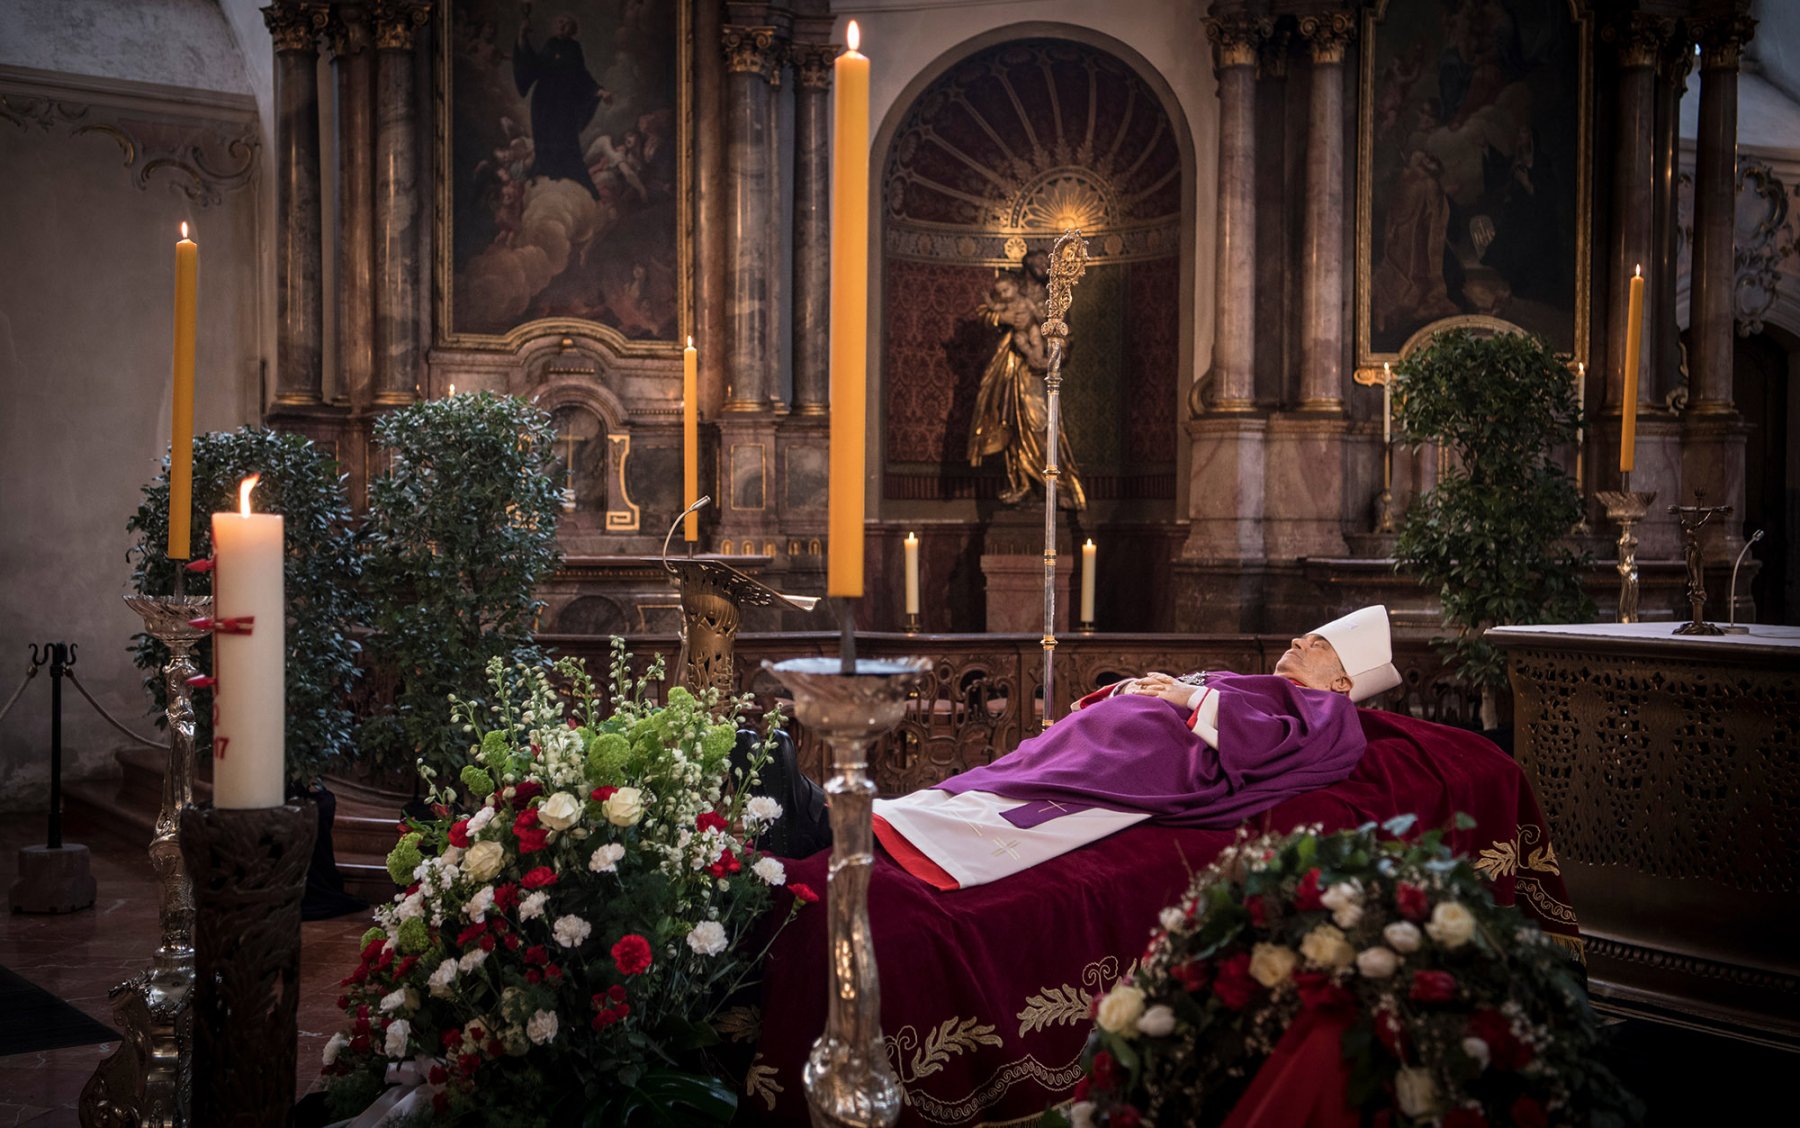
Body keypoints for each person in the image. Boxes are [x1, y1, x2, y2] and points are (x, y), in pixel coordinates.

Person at [755, 607, 1403, 890]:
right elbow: (1189, 693)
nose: (1298, 641)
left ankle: (823, 819)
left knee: (998, 810)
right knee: (985, 791)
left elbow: (1267, 741)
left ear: (1345, 681)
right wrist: (1136, 691)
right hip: (1117, 747)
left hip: (1148, 767)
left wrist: (1179, 699)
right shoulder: (1276, 684)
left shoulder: (1333, 713)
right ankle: (824, 817)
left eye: (1317, 644)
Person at [513, 6, 612, 198]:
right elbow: (534, 66)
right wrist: (522, 37)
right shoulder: (550, 44)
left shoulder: (574, 48)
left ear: (573, 29)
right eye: (559, 22)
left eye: (566, 23)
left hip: (564, 104)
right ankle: (545, 179)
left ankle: (572, 181)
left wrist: (599, 90)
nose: (561, 25)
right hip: (544, 103)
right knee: (545, 141)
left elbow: (581, 75)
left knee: (566, 140)